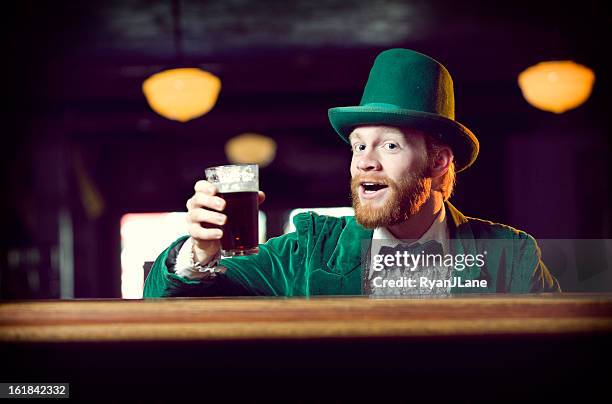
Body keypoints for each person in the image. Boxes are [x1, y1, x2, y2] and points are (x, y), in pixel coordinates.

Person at [144, 48, 560, 298]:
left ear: (438, 162)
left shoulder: (511, 253)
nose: (365, 160)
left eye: (390, 145)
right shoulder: (306, 252)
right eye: (359, 145)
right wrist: (199, 250)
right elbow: (172, 302)